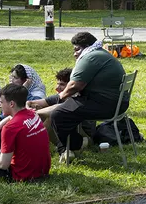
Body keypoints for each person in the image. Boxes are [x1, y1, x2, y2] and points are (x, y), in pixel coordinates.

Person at [28, 32, 125, 164]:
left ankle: (76, 144)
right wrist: (36, 102)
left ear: (86, 47)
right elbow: (69, 91)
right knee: (65, 108)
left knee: (58, 114)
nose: (74, 54)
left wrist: (59, 98)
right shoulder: (101, 54)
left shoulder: (91, 57)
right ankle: (67, 148)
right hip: (114, 103)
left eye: (77, 49)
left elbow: (74, 86)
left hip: (105, 105)